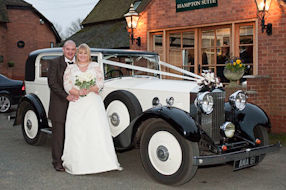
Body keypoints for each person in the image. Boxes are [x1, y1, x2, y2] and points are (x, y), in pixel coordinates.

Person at [62, 43, 122, 175]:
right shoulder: (70, 69)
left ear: (88, 54)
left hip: (92, 103)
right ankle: (78, 164)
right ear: (77, 54)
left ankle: (102, 162)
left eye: (85, 53)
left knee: (95, 130)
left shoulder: (95, 66)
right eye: (81, 53)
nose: (83, 56)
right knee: (77, 132)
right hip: (77, 103)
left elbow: (100, 83)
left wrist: (89, 89)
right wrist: (78, 92)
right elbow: (67, 85)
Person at [48, 40, 78, 172]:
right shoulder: (55, 63)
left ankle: (71, 160)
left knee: (73, 134)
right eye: (68, 49)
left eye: (73, 49)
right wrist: (66, 96)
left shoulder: (79, 64)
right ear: (63, 50)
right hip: (59, 105)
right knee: (58, 136)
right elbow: (52, 83)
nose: (70, 52)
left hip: (76, 106)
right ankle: (57, 162)